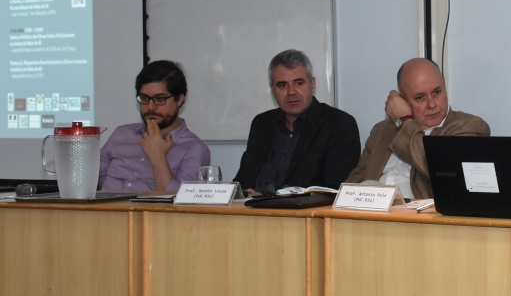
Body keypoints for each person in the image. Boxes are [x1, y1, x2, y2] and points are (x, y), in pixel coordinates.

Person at [346, 57, 490, 198]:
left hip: (419, 212)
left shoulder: (469, 126)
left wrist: (405, 120)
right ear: (403, 100)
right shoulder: (381, 130)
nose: (432, 104)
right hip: (369, 210)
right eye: (420, 97)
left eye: (437, 92)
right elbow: (353, 183)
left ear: (444, 85)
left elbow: (443, 171)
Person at [234, 49, 360, 194]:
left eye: (299, 83)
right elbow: (242, 181)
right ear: (272, 90)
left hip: (301, 208)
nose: (291, 92)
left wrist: (268, 199)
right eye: (282, 85)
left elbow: (333, 191)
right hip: (248, 206)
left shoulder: (339, 124)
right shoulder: (262, 123)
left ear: (312, 84)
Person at [99, 60, 210, 192]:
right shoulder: (121, 134)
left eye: (160, 99)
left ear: (179, 99)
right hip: (108, 206)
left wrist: (158, 157)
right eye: (144, 98)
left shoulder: (194, 149)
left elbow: (179, 201)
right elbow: (92, 184)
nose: (151, 107)